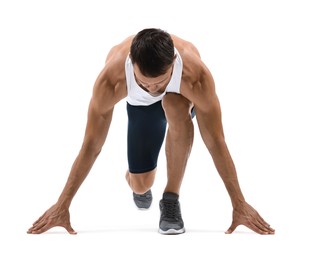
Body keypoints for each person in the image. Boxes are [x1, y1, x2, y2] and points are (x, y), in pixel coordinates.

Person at [27, 28, 275, 235]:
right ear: (132, 65)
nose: (154, 88)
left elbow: (215, 141)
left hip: (180, 98)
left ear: (174, 64)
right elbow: (91, 145)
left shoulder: (195, 77)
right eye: (145, 82)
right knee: (141, 184)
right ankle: (138, 183)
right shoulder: (112, 80)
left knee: (174, 105)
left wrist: (238, 203)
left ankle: (170, 200)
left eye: (160, 81)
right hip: (140, 106)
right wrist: (63, 204)